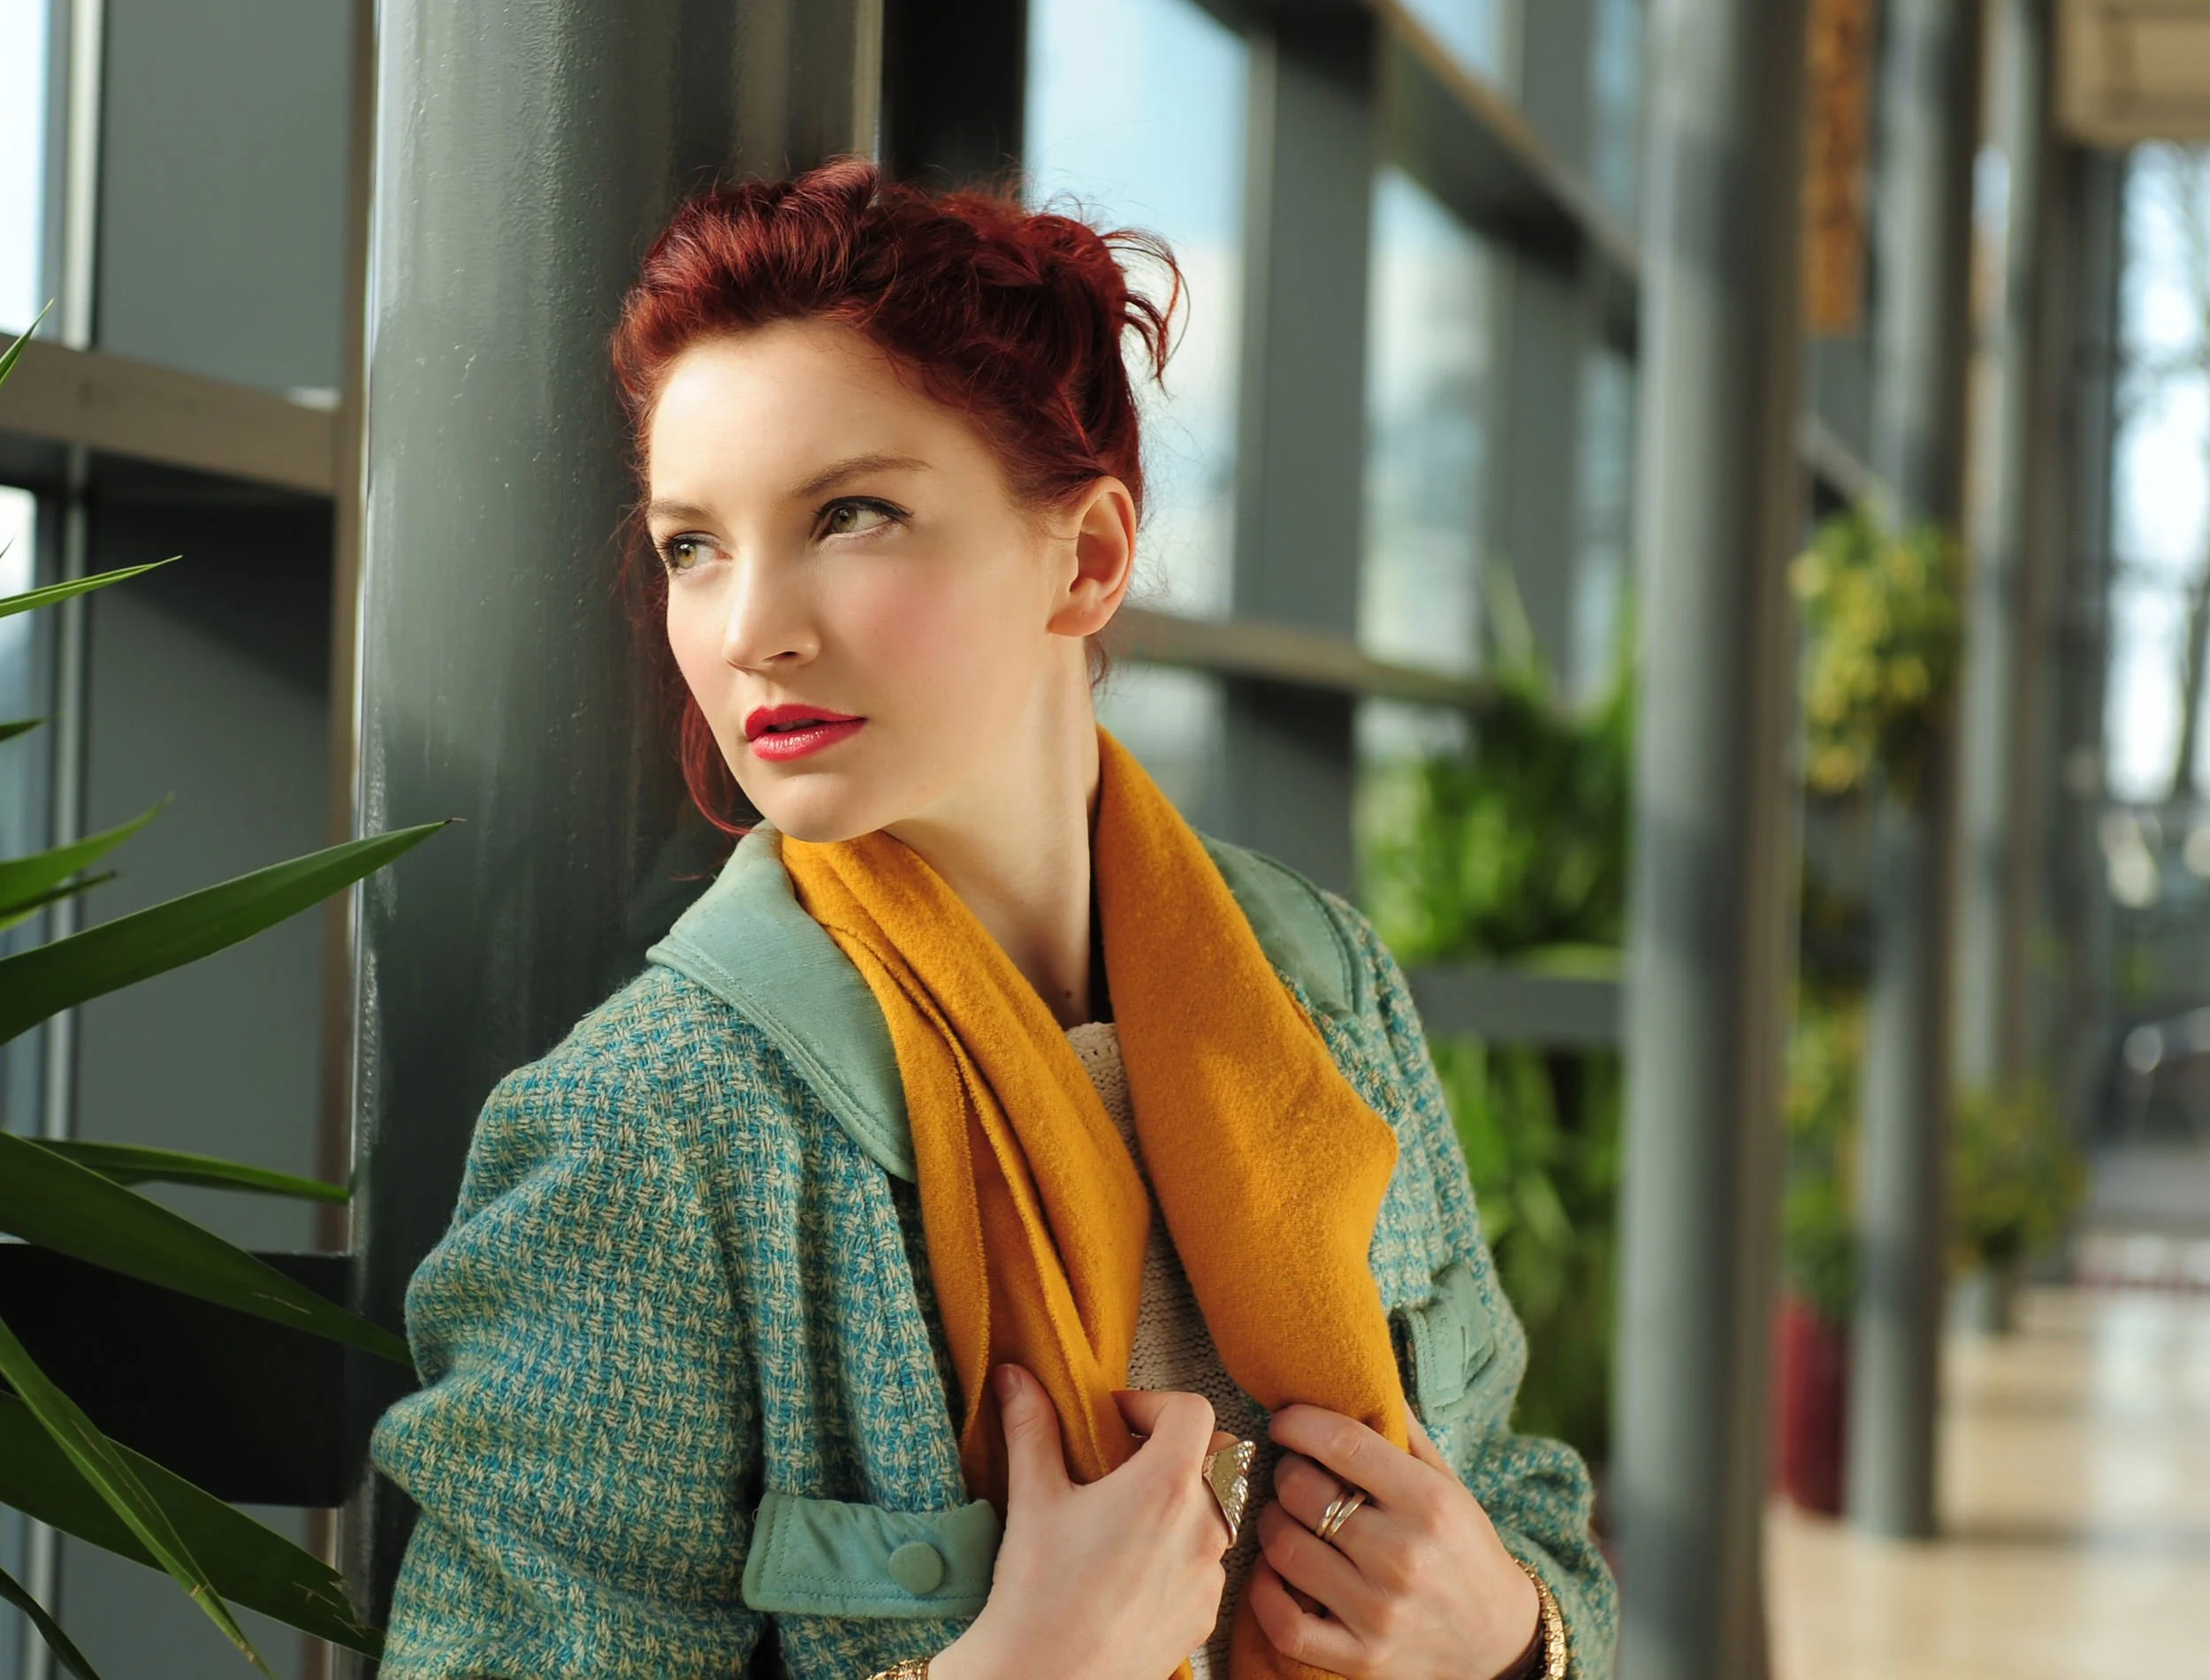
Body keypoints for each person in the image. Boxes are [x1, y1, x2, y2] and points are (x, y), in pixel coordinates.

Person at [369, 158, 1616, 1680]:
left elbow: (1512, 1486)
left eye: (851, 515)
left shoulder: (1322, 985)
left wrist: (1514, 1634)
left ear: (1086, 558)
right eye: (693, 544)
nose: (749, 628)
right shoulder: (656, 1129)